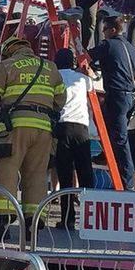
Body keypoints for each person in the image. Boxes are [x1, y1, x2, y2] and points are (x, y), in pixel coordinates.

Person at [0, 36, 67, 240]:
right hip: (44, 128)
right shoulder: (50, 67)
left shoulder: (7, 66)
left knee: (8, 171)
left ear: (9, 51)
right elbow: (61, 99)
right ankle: (33, 223)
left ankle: (3, 221)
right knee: (37, 174)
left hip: (15, 127)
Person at [90, 16, 135, 191]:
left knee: (120, 139)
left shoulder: (108, 45)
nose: (103, 34)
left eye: (104, 31)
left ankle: (127, 184)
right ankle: (106, 154)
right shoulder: (131, 48)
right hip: (128, 96)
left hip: (117, 95)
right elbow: (134, 72)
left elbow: (87, 57)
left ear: (111, 30)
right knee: (110, 131)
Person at [52, 48, 95, 229]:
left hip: (62, 128)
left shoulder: (53, 78)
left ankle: (67, 219)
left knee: (65, 176)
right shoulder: (81, 79)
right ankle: (90, 219)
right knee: (85, 174)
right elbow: (93, 84)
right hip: (81, 128)